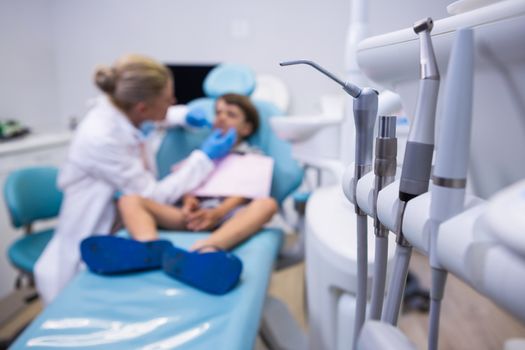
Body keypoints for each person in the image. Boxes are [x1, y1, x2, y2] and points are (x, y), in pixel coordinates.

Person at [35, 54, 236, 304]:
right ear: (142, 107)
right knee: (84, 292)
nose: (173, 102)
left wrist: (182, 115)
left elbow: (157, 115)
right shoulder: (100, 137)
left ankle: (162, 254)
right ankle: (158, 253)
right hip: (92, 227)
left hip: (130, 217)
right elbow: (151, 195)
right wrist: (205, 158)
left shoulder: (123, 107)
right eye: (168, 99)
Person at [118, 93, 278, 251]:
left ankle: (208, 248)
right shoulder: (202, 153)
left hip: (228, 217)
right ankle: (149, 248)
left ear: (247, 128)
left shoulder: (253, 156)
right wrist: (189, 201)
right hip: (191, 216)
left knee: (268, 205)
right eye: (218, 113)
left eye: (231, 114)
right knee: (129, 200)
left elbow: (245, 193)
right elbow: (184, 183)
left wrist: (218, 213)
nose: (221, 118)